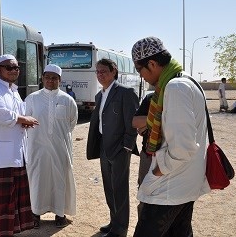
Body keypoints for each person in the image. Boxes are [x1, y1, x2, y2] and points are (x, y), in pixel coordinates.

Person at [131, 37, 210, 237]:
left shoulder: (175, 87)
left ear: (152, 64)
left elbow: (183, 148)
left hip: (169, 187)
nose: (140, 76)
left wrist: (157, 171)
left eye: (139, 69)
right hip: (184, 184)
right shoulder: (187, 81)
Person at [0, 54, 39, 236]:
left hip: (15, 154)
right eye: (9, 67)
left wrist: (23, 122)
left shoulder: (14, 91)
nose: (14, 70)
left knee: (13, 201)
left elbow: (15, 116)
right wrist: (21, 119)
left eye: (16, 67)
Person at [86, 58, 139, 237]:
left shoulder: (125, 92)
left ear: (113, 71)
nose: (100, 75)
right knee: (109, 188)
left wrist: (127, 147)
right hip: (104, 147)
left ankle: (120, 229)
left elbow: (132, 124)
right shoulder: (99, 95)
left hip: (120, 150)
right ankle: (114, 222)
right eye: (98, 72)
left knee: (120, 189)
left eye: (104, 71)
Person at [25, 64, 78, 229]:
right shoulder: (32, 98)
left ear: (60, 80)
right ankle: (35, 214)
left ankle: (60, 214)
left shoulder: (67, 100)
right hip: (36, 148)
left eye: (54, 78)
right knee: (37, 180)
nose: (50, 80)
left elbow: (71, 123)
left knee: (59, 180)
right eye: (47, 77)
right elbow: (25, 121)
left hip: (60, 148)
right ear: (42, 79)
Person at [132, 92, 153, 216]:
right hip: (148, 156)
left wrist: (147, 124)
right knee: (144, 193)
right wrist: (157, 119)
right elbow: (135, 122)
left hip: (170, 156)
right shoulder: (150, 98)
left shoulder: (177, 97)